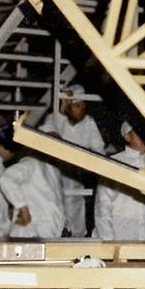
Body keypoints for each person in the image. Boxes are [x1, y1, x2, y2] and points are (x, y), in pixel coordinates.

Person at [42, 84, 106, 236]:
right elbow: (50, 136)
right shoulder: (55, 119)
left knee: (76, 214)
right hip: (54, 175)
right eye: (76, 105)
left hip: (76, 175)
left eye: (82, 104)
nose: (81, 108)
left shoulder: (89, 123)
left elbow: (99, 149)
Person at [95, 122, 145, 241]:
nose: (144, 137)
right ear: (127, 136)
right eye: (138, 133)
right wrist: (109, 242)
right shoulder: (114, 163)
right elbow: (102, 207)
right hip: (122, 234)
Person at [0, 153, 66, 239]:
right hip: (29, 232)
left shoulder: (53, 169)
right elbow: (7, 179)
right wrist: (23, 209)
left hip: (48, 235)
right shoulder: (31, 163)